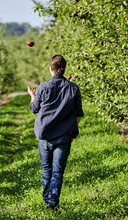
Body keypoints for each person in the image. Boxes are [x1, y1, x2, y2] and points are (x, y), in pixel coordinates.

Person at [28, 54, 84, 210]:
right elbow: (78, 114)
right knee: (57, 172)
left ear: (50, 69)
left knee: (47, 170)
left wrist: (33, 96)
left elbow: (34, 109)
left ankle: (48, 200)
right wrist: (71, 129)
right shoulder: (73, 88)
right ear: (64, 69)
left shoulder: (43, 87)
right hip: (64, 136)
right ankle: (52, 202)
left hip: (45, 136)